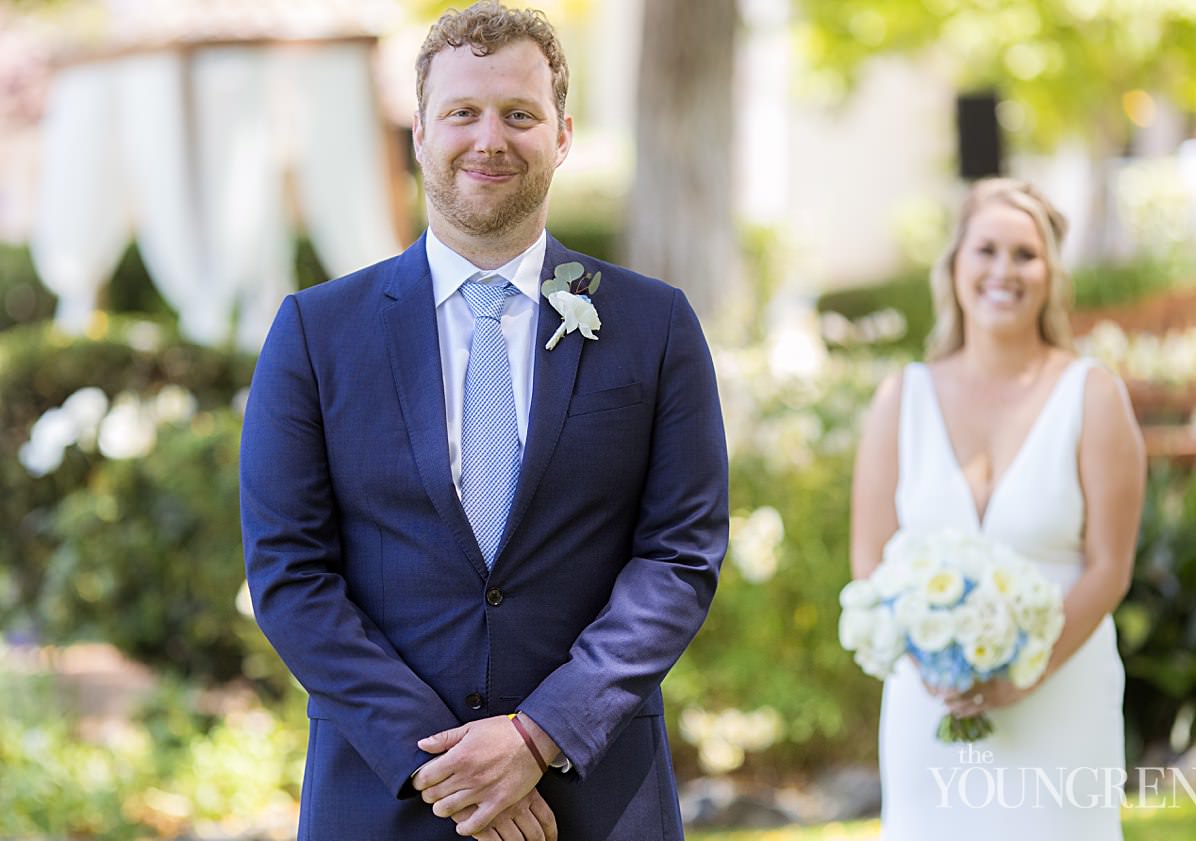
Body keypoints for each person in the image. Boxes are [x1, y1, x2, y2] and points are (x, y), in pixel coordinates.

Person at [239, 3, 728, 839]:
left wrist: (539, 736)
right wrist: (451, 768)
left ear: (564, 134)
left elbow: (680, 554)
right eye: (462, 112)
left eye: (519, 114)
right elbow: (290, 572)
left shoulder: (656, 324)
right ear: (420, 133)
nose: (489, 138)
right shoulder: (317, 333)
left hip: (596, 791)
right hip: (386, 793)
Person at [849, 178, 1146, 839]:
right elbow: (870, 558)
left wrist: (1021, 673)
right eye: (986, 250)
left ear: (1051, 275)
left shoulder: (1092, 396)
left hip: (1062, 698)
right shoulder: (902, 398)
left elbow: (1110, 565)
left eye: (1025, 254)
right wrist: (931, 660)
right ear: (954, 265)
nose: (1003, 271)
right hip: (930, 705)